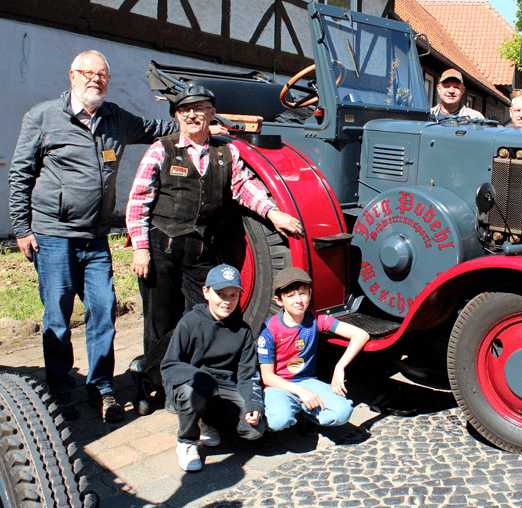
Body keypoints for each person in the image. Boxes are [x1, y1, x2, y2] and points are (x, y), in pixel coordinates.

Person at [8, 50, 180, 423]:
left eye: (102, 75)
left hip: (95, 238)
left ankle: (101, 387)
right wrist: (22, 228)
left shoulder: (115, 118)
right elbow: (20, 175)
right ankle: (59, 390)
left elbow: (155, 128)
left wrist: (195, 124)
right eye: (88, 73)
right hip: (53, 236)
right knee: (57, 317)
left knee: (103, 312)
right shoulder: (43, 117)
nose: (95, 80)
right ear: (72, 75)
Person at [126, 85, 303, 414]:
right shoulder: (161, 150)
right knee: (160, 321)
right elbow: (138, 202)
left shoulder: (225, 153)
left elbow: (243, 187)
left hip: (202, 249)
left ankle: (159, 372)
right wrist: (140, 249)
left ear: (211, 113)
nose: (192, 115)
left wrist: (272, 212)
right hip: (162, 245)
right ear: (177, 115)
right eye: (185, 110)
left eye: (200, 108)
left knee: (202, 318)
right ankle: (151, 383)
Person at [161, 264, 265, 471]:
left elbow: (248, 373)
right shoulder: (189, 323)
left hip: (224, 386)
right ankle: (187, 441)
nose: (226, 301)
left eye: (233, 295)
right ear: (206, 292)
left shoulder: (242, 330)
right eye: (220, 294)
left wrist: (254, 404)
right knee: (194, 393)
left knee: (255, 431)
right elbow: (169, 365)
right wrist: (198, 377)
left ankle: (208, 420)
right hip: (192, 383)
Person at [257, 267, 370, 433]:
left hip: (307, 380)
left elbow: (361, 335)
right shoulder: (269, 330)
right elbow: (267, 377)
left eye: (303, 293)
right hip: (279, 384)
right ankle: (280, 413)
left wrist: (339, 368)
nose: (298, 300)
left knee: (343, 413)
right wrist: (301, 392)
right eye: (290, 296)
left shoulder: (317, 320)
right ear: (279, 300)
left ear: (310, 294)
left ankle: (306, 413)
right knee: (278, 421)